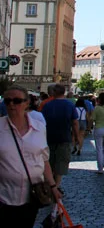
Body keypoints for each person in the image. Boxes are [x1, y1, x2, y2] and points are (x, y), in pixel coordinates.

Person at [1, 85, 62, 227]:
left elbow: (44, 159)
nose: (11, 104)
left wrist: (53, 186)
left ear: (26, 103)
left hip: (32, 196)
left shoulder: (39, 128)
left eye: (16, 101)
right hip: (4, 197)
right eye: (7, 101)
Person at [40, 84, 78, 190]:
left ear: (54, 92)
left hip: (48, 138)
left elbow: (41, 122)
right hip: (64, 138)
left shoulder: (46, 105)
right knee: (61, 164)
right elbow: (75, 122)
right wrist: (77, 137)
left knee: (49, 162)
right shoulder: (70, 105)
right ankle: (56, 186)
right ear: (64, 92)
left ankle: (50, 185)